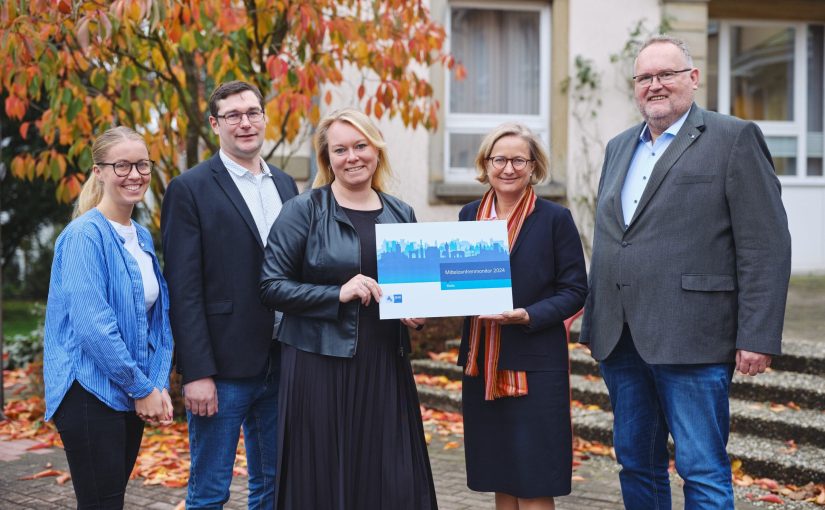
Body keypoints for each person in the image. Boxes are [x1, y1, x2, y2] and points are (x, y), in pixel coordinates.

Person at [579, 35, 792, 509]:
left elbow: (765, 244)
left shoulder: (733, 138)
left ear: (692, 79)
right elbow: (614, 239)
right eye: (644, 78)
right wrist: (593, 317)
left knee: (702, 469)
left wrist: (757, 333)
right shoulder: (618, 147)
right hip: (622, 338)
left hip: (694, 335)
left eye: (666, 74)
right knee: (635, 462)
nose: (654, 85)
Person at [259, 108, 437, 509]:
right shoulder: (303, 210)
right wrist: (334, 294)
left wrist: (418, 312)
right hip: (318, 362)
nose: (352, 157)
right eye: (340, 149)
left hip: (384, 360)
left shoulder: (400, 212)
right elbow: (270, 287)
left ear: (376, 150)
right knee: (325, 473)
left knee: (390, 474)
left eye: (361, 146)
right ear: (328, 158)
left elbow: (412, 288)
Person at [160, 80, 298, 509]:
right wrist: (196, 372)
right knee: (209, 493)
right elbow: (183, 289)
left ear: (264, 117)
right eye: (233, 116)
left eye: (253, 112)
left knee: (273, 489)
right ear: (216, 124)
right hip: (222, 370)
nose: (245, 123)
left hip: (284, 359)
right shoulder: (190, 188)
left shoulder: (286, 184)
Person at [456, 123, 588, 510]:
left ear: (534, 167)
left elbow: (576, 290)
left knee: (533, 477)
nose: (508, 168)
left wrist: (528, 314)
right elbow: (453, 283)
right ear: (486, 163)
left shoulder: (554, 219)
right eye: (500, 159)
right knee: (501, 473)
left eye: (519, 160)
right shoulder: (468, 216)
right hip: (482, 364)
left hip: (534, 365)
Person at [43, 126, 174, 509]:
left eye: (142, 164)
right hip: (89, 391)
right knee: (102, 503)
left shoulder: (142, 236)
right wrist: (142, 388)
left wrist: (157, 383)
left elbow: (158, 320)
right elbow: (93, 326)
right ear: (98, 171)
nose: (134, 174)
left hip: (130, 391)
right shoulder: (84, 236)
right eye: (122, 165)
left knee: (110, 500)